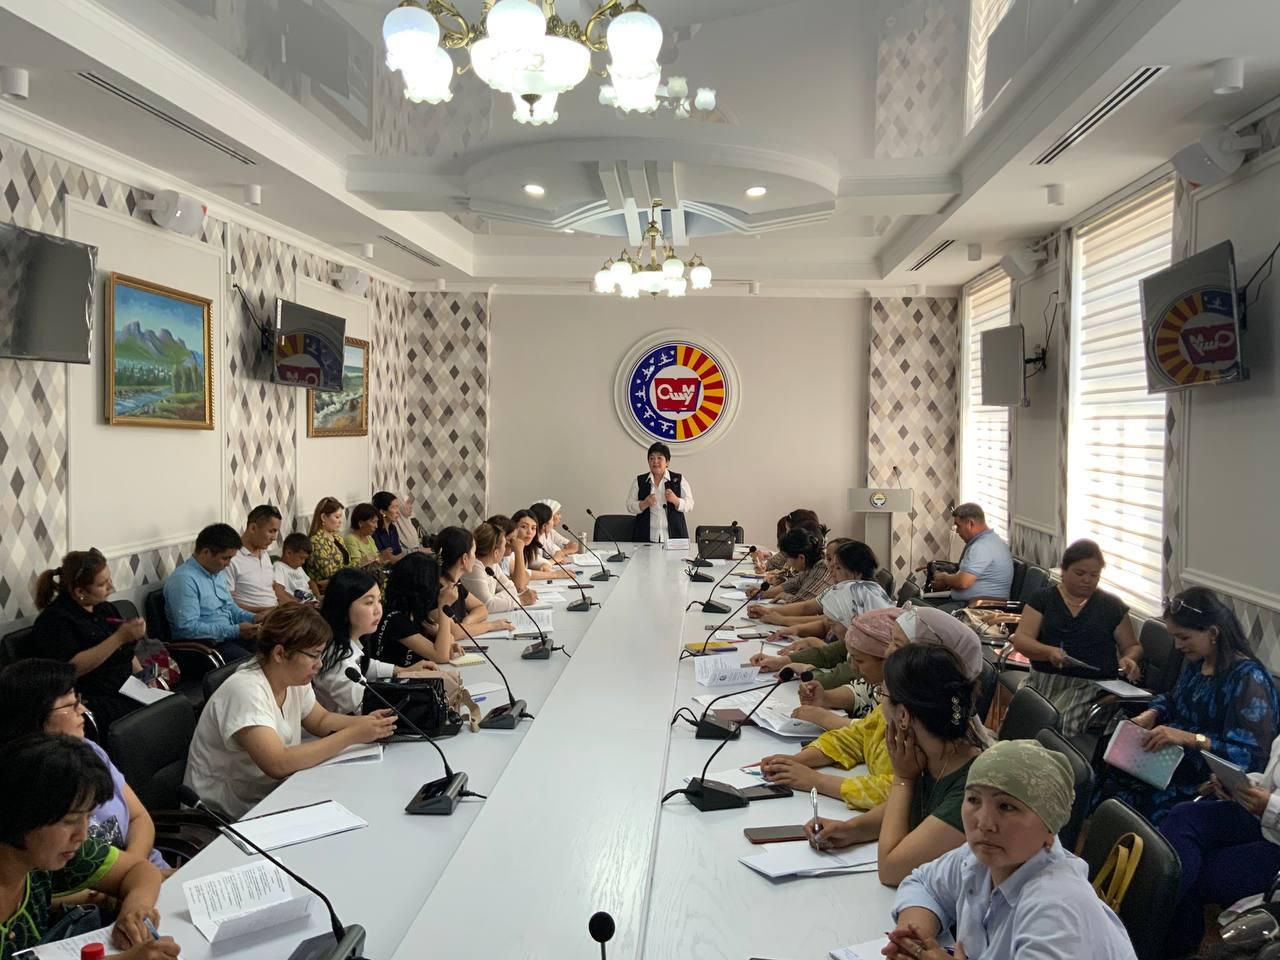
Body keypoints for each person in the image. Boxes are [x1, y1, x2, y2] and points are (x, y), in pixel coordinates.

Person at [886, 739, 1136, 960]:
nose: (984, 823)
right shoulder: (982, 858)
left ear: (1050, 826)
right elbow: (924, 884)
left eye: (1006, 807)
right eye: (973, 799)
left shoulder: (1057, 910)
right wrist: (914, 943)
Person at [183, 604, 397, 819]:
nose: (319, 664)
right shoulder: (245, 690)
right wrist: (352, 735)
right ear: (280, 653)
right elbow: (277, 763)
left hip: (274, 795)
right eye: (314, 655)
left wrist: (365, 723)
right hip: (226, 816)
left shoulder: (292, 678)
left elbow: (320, 720)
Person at [803, 643, 985, 887]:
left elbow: (891, 869)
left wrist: (903, 779)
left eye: (882, 694)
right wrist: (852, 829)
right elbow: (913, 808)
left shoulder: (973, 788)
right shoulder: (938, 753)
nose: (880, 705)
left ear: (903, 716)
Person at [1096, 587, 1280, 825]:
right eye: (1174, 637)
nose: (1177, 645)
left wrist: (1190, 738)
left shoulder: (1249, 680)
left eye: (1183, 637)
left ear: (1212, 633)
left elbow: (1249, 758)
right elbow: (1174, 700)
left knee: (1135, 803)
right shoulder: (1198, 662)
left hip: (1203, 778)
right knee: (1108, 768)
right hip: (1169, 760)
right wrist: (1152, 713)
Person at [0, 735, 179, 960]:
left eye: (88, 817)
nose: (82, 835)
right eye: (69, 821)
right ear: (22, 815)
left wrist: (134, 910)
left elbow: (139, 870)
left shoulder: (44, 857)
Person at [0, 660, 169, 870]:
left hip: (145, 869)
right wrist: (129, 876)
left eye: (78, 700)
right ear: (35, 715)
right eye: (69, 705)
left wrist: (134, 870)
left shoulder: (89, 750)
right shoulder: (26, 787)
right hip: (101, 887)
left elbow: (140, 818)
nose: (82, 710)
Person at [759, 609, 902, 809]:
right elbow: (858, 735)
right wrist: (798, 761)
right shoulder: (890, 694)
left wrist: (816, 781)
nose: (853, 668)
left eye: (860, 660)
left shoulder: (916, 715)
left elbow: (901, 792)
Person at [1158, 724, 1280, 957]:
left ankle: (1154, 934)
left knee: (1197, 875)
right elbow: (1270, 782)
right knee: (1183, 816)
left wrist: (1271, 807)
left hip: (1275, 843)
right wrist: (1240, 785)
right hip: (1259, 820)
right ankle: (1146, 920)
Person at [1010, 540, 1141, 736]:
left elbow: (1132, 646)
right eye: (1080, 573)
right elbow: (1021, 640)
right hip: (1043, 680)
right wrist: (1048, 652)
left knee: (1053, 724)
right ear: (1064, 570)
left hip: (1091, 687)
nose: (1087, 580)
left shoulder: (1111, 606)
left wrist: (1129, 659)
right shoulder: (1043, 598)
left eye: (1094, 575)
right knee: (1021, 719)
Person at [30, 548, 148, 735]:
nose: (111, 587)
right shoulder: (54, 621)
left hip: (127, 687)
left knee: (169, 705)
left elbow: (125, 653)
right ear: (80, 591)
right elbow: (72, 668)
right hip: (90, 699)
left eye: (109, 579)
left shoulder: (104, 609)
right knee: (154, 719)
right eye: (102, 584)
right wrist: (119, 638)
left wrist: (144, 679)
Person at [312, 569, 455, 714]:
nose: (378, 610)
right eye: (369, 602)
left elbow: (367, 665)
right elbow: (367, 709)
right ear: (343, 607)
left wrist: (402, 671)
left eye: (379, 600)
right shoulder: (338, 662)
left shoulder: (346, 644)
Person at [163, 523, 261, 662]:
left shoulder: (217, 573)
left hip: (230, 637)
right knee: (257, 664)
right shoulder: (183, 580)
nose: (228, 564)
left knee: (277, 647)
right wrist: (235, 631)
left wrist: (254, 618)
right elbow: (187, 628)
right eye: (225, 558)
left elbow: (230, 608)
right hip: (206, 647)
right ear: (206, 552)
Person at [923, 503, 1014, 604]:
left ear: (971, 524)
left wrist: (944, 577)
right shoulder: (992, 540)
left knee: (917, 607)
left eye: (958, 526)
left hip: (976, 606)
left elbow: (963, 582)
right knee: (919, 602)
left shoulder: (982, 546)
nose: (957, 531)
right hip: (969, 601)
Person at [227, 504, 291, 613]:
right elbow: (228, 604)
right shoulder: (231, 558)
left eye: (276, 532)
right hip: (254, 618)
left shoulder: (264, 553)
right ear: (253, 528)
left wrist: (296, 606)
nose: (275, 538)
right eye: (271, 531)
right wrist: (264, 610)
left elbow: (274, 589)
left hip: (275, 613)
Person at [625, 441, 694, 543]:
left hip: (674, 538)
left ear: (667, 462)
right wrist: (644, 503)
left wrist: (676, 500)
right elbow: (629, 505)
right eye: (651, 458)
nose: (655, 461)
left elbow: (690, 505)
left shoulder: (678, 480)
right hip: (645, 538)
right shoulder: (640, 481)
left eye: (659, 458)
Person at [462, 522, 536, 613]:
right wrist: (520, 600)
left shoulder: (493, 565)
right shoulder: (474, 568)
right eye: (504, 545)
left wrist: (494, 599)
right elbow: (487, 605)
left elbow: (511, 588)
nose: (505, 548)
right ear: (496, 553)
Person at [757, 527, 834, 603]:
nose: (787, 563)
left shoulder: (822, 568)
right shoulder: (809, 567)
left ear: (801, 558)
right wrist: (759, 594)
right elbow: (791, 585)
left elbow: (801, 604)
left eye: (787, 558)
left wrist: (785, 596)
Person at [754, 508, 823, 575]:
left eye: (788, 531)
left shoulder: (818, 564)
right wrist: (764, 566)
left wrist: (780, 579)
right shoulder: (793, 550)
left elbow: (795, 579)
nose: (787, 535)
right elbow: (773, 563)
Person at [306, 497, 351, 593]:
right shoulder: (316, 541)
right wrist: (357, 566)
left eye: (340, 517)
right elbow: (329, 572)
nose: (340, 521)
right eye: (337, 517)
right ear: (323, 517)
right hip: (326, 592)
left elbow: (347, 563)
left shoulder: (338, 538)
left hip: (342, 585)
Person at [512, 508, 570, 581]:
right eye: (524, 527)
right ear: (513, 528)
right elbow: (522, 574)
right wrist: (556, 574)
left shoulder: (527, 548)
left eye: (533, 528)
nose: (529, 532)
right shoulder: (509, 551)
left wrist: (544, 565)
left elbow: (536, 561)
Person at [344, 503, 393, 574]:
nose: (376, 526)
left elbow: (377, 560)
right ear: (361, 523)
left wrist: (385, 557)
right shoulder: (350, 540)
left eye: (377, 522)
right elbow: (357, 569)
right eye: (373, 522)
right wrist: (380, 559)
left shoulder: (369, 538)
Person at [274, 532, 318, 602]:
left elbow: (311, 583)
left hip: (312, 602)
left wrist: (318, 597)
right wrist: (298, 605)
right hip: (298, 605)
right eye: (301, 558)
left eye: (305, 559)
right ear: (288, 553)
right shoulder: (278, 567)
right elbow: (279, 593)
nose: (303, 562)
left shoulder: (298, 567)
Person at [371, 491, 411, 565]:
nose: (398, 512)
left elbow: (398, 552)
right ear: (382, 511)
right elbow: (385, 559)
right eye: (394, 507)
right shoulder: (374, 532)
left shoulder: (392, 528)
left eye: (397, 507)